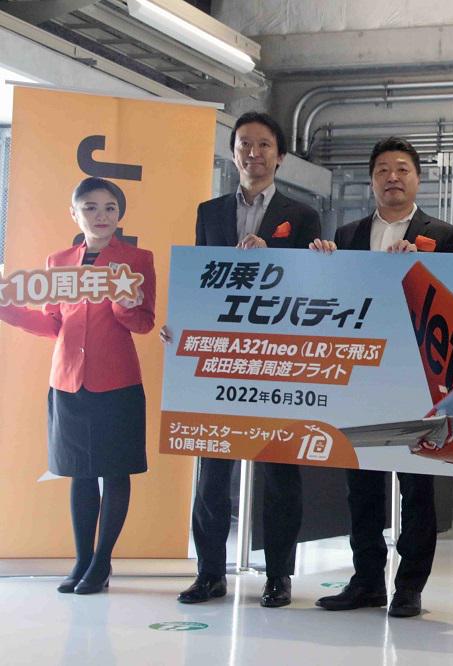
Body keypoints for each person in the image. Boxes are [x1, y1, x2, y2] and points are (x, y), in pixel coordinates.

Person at [162, 111, 321, 608]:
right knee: (212, 472)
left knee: (280, 473)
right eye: (245, 144)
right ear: (233, 153)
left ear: (281, 155)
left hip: (277, 360)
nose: (254, 153)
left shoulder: (303, 215)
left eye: (264, 144)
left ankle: (279, 576)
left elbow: (314, 286)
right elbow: (200, 278)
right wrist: (181, 322)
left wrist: (272, 255)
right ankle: (210, 572)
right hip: (220, 360)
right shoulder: (209, 212)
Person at [310, 137, 453, 618]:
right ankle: (367, 581)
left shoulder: (445, 234)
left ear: (417, 178)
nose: (392, 177)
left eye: (401, 169)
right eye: (382, 170)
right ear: (371, 180)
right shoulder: (348, 233)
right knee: (361, 486)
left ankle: (410, 586)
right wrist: (320, 263)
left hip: (417, 376)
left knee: (417, 485)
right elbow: (336, 297)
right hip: (362, 375)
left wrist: (417, 268)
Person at [0, 177, 155, 594]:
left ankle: (102, 563)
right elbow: (54, 323)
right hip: (68, 380)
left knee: (115, 471)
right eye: (90, 207)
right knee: (79, 474)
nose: (101, 215)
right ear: (74, 213)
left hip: (118, 380)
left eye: (109, 208)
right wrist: (7, 311)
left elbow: (144, 322)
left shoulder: (137, 259)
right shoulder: (59, 261)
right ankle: (82, 560)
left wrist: (123, 304)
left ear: (119, 215)